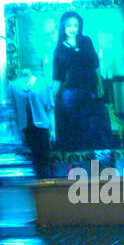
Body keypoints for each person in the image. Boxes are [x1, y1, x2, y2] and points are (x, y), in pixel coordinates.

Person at [51, 11, 111, 151]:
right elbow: (58, 77)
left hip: (91, 91)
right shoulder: (59, 50)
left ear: (79, 26)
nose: (72, 28)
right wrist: (51, 97)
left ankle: (98, 166)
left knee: (96, 129)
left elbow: (95, 64)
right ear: (63, 27)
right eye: (69, 25)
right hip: (72, 95)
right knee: (76, 131)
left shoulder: (86, 41)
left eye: (75, 25)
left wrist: (100, 85)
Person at [8, 69, 55, 179]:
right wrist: (14, 132)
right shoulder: (13, 86)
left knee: (44, 156)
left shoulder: (43, 83)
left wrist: (53, 129)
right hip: (24, 127)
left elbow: (50, 108)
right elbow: (12, 111)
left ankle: (45, 181)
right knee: (29, 157)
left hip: (42, 126)